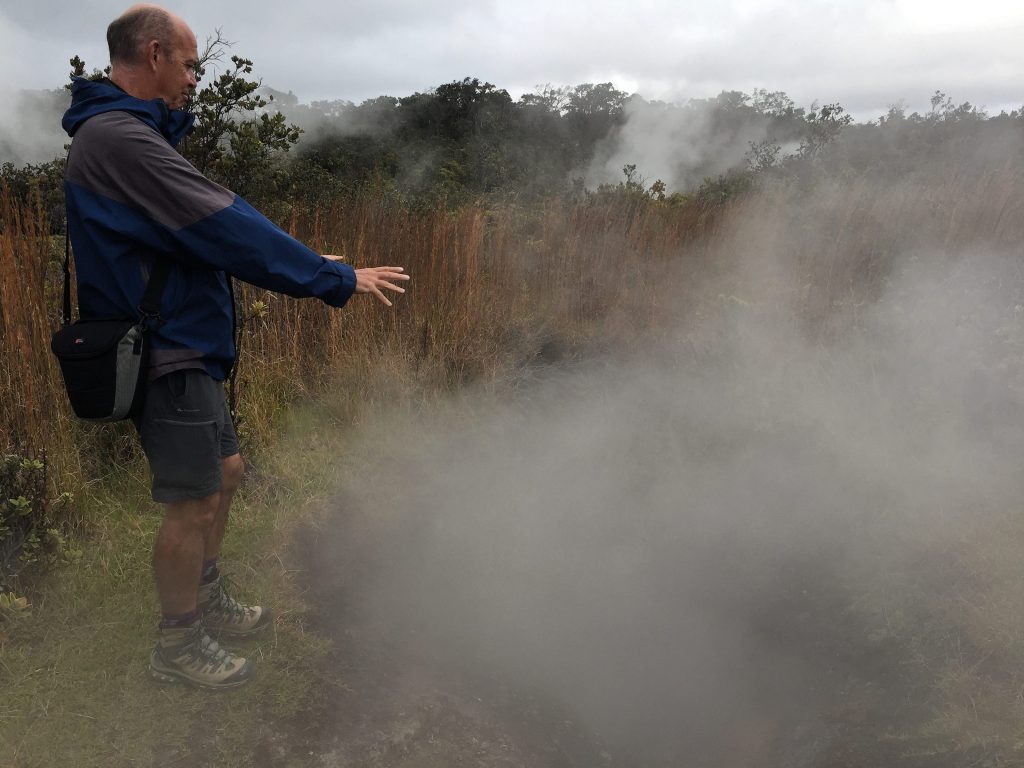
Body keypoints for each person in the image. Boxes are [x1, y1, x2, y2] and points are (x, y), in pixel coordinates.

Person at [62, 4, 409, 690]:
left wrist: (309, 258)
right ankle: (178, 643)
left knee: (224, 475)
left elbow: (194, 233)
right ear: (155, 54)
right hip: (166, 352)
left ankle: (206, 595)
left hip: (186, 343)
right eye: (190, 63)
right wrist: (329, 277)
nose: (194, 78)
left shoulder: (129, 135)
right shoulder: (120, 140)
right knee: (191, 499)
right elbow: (225, 224)